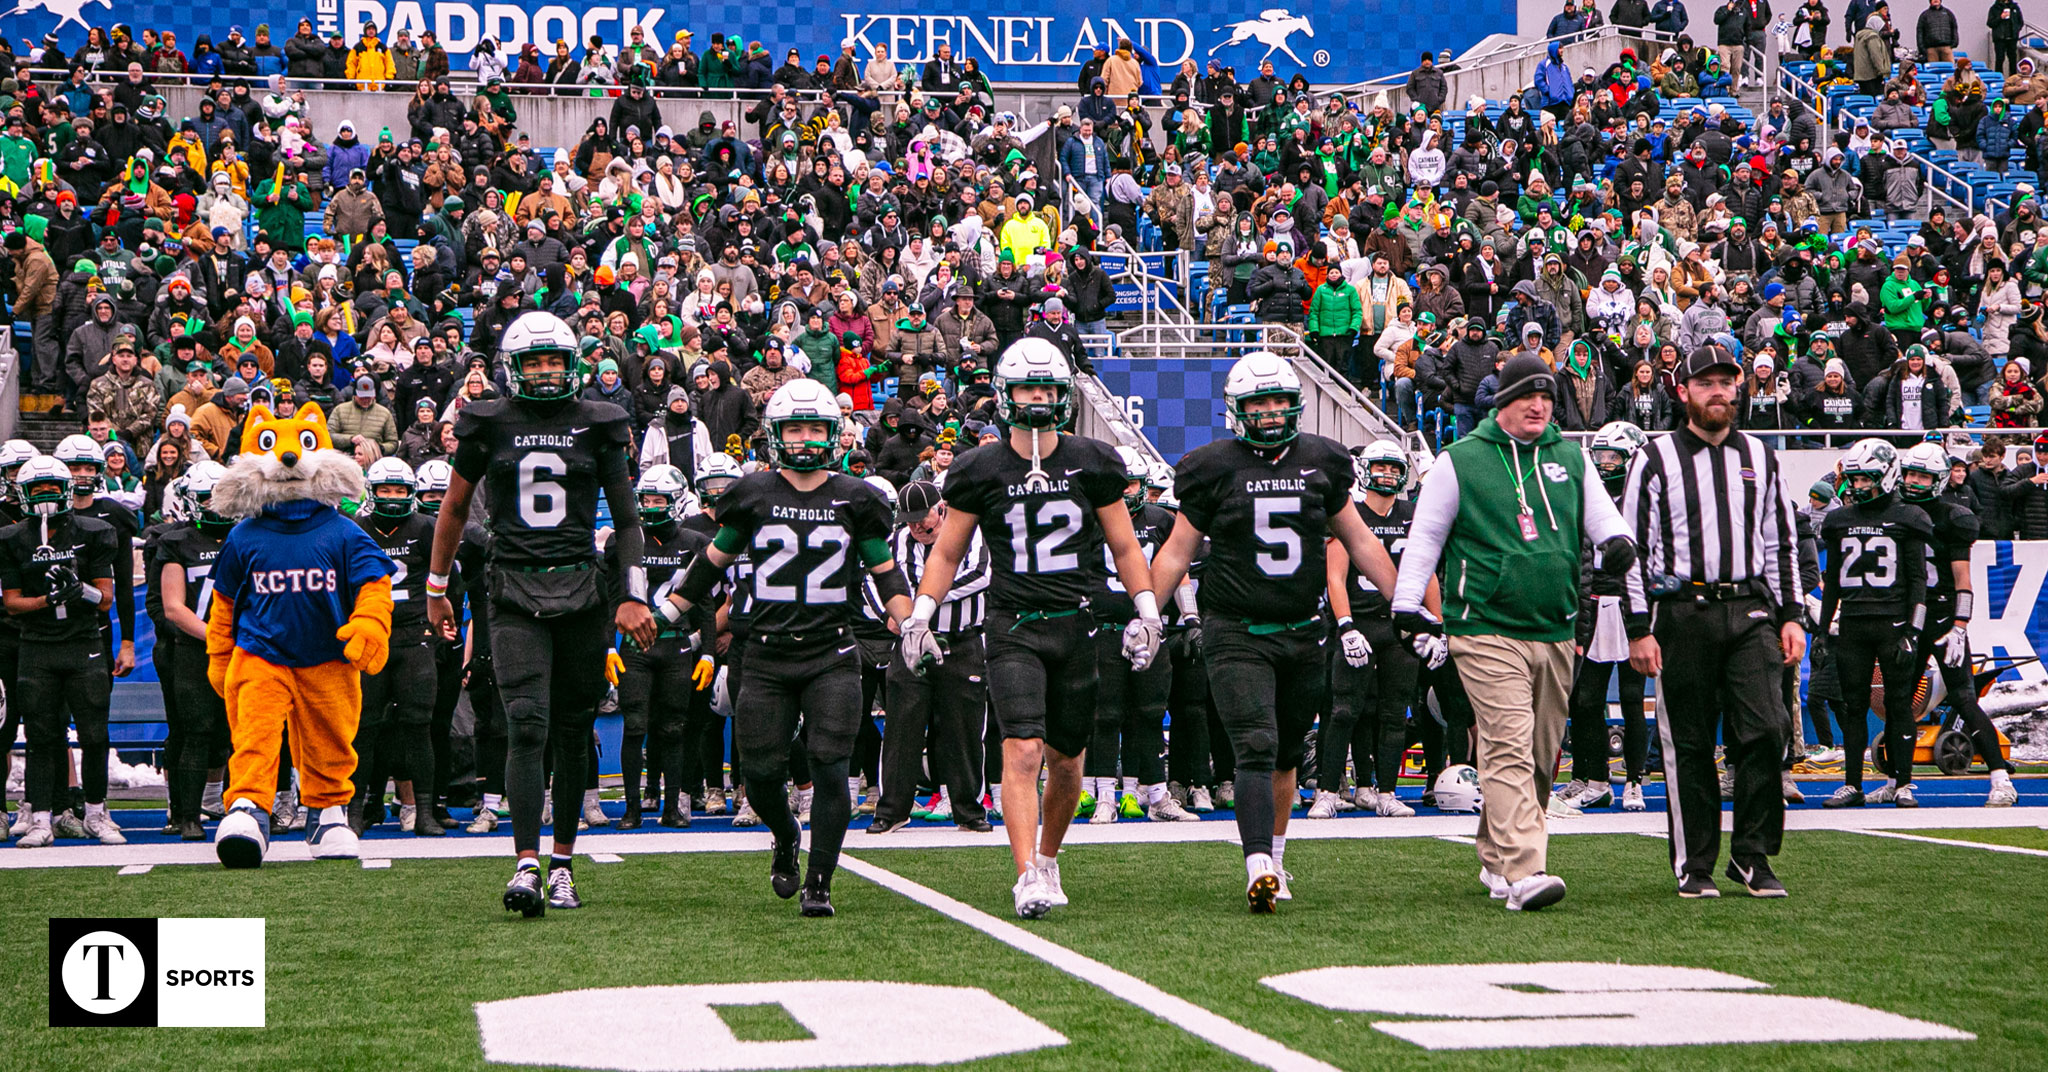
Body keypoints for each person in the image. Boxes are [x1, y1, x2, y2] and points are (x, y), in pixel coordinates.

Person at [898, 338, 1155, 920]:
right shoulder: (979, 467)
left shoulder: (1092, 460)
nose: (1037, 398)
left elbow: (1122, 542)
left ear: (1063, 394)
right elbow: (946, 553)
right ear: (1007, 395)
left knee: (1067, 761)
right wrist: (919, 615)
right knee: (1022, 748)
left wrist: (1148, 609)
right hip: (1012, 622)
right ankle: (1025, 874)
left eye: (1046, 389)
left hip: (1077, 622)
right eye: (1027, 388)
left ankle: (1048, 855)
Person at [1147, 353, 1403, 911]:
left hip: (1302, 630)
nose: (1269, 412)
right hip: (1234, 628)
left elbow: (1361, 543)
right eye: (1258, 402)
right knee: (1256, 745)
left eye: (1279, 400)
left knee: (1287, 750)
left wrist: (1407, 603)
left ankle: (1277, 860)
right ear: (1236, 410)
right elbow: (1176, 553)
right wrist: (1146, 612)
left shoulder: (1323, 461)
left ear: (1296, 405)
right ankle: (1257, 861)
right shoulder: (1211, 466)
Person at [426, 311, 655, 917]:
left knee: (574, 729)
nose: (548, 372)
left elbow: (628, 519)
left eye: (556, 360)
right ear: (513, 368)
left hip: (582, 589)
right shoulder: (488, 422)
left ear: (572, 363)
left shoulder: (598, 422)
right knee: (526, 723)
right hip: (513, 590)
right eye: (536, 361)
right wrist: (435, 583)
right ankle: (526, 864)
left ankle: (562, 864)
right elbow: (452, 509)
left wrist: (632, 592)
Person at [659, 379, 912, 917]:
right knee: (761, 771)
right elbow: (713, 563)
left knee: (829, 763)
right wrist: (674, 609)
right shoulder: (753, 493)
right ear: (775, 433)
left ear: (831, 433)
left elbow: (886, 574)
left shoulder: (856, 497)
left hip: (831, 651)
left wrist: (912, 623)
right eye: (793, 427)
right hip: (766, 652)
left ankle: (819, 879)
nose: (802, 438)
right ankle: (786, 835)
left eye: (814, 427)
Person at [1394, 352, 1635, 911]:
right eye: (1528, 395)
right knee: (1507, 742)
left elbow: (1603, 519)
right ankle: (1527, 870)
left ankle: (1495, 855)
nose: (1539, 405)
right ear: (1502, 400)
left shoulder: (1571, 458)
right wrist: (1408, 605)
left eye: (1548, 397)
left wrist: (1619, 545)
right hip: (1483, 625)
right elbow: (1426, 538)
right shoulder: (1461, 460)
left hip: (1554, 627)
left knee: (1540, 752)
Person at [1624, 343, 1805, 900]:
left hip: (1750, 610)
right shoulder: (1654, 458)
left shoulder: (1761, 455)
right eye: (1706, 383)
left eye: (1727, 381)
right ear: (1683, 392)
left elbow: (1781, 542)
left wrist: (1792, 614)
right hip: (1682, 612)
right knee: (1692, 743)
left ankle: (1751, 855)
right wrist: (1638, 627)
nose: (1719, 391)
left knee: (1768, 729)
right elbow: (1630, 547)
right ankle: (1695, 862)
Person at [2, 456, 121, 847]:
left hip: (83, 643)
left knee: (94, 735)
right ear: (23, 493)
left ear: (68, 489)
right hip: (36, 647)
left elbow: (104, 599)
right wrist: (46, 600)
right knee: (41, 737)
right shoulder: (13, 537)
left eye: (52, 487)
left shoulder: (95, 531)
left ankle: (96, 813)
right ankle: (40, 819)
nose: (46, 495)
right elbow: (12, 601)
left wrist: (79, 591)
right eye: (38, 489)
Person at [1313, 440, 1431, 820]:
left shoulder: (1414, 514)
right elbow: (1336, 574)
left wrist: (1435, 625)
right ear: (1364, 470)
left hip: (1398, 626)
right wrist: (1345, 625)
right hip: (1359, 623)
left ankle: (1387, 791)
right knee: (1344, 710)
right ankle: (1328, 790)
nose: (1389, 474)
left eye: (1396, 469)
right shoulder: (1350, 513)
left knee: (1395, 713)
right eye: (1381, 466)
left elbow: (1425, 572)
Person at [871, 479, 994, 834]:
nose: (916, 527)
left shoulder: (969, 532)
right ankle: (892, 809)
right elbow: (872, 580)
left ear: (941, 509)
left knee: (964, 729)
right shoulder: (899, 541)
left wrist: (925, 596)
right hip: (911, 644)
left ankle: (969, 810)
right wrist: (889, 616)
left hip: (961, 641)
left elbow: (981, 573)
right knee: (901, 726)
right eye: (909, 521)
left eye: (922, 518)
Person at [1084, 446, 1198, 825]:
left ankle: (1157, 795)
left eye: (1132, 484)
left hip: (1150, 629)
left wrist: (1191, 617)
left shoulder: (1161, 520)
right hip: (1106, 629)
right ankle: (1104, 796)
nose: (1127, 491)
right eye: (1121, 484)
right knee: (1105, 715)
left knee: (1150, 714)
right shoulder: (1090, 519)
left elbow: (1179, 570)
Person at [1897, 444, 2015, 806]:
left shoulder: (1953, 516)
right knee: (1900, 698)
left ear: (1939, 479)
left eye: (1923, 476)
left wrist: (1960, 624)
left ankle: (2000, 778)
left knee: (1962, 694)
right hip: (1908, 613)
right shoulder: (1895, 513)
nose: (1914, 482)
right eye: (1911, 474)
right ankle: (1898, 781)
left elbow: (1962, 579)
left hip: (1944, 612)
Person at [1817, 439, 1931, 811]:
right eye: (1853, 480)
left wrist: (1913, 631)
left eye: (1865, 479)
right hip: (1852, 623)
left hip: (1893, 623)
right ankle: (1852, 784)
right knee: (1852, 706)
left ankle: (1902, 782)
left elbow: (1918, 582)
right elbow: (1832, 578)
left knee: (1899, 704)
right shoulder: (1838, 519)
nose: (1857, 486)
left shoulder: (1908, 516)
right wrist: (1821, 629)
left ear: (1886, 476)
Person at [609, 464, 716, 829]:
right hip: (636, 649)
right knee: (635, 725)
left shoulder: (693, 542)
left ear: (676, 500)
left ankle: (673, 806)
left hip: (676, 646)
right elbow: (612, 599)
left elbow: (703, 604)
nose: (651, 505)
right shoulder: (627, 541)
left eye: (659, 499)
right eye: (646, 499)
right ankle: (633, 809)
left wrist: (709, 653)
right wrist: (609, 647)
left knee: (674, 728)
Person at [1559, 423, 1653, 814]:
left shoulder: (1644, 497)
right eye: (1600, 456)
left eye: (1613, 456)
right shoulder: (1589, 495)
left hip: (1630, 602)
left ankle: (1634, 780)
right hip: (1595, 600)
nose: (1605, 463)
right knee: (1585, 698)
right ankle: (1593, 777)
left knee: (1633, 699)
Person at [350, 459, 444, 837]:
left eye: (400, 490)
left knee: (418, 725)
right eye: (386, 490)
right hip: (372, 636)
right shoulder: (356, 529)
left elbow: (442, 579)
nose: (393, 498)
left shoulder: (424, 527)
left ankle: (423, 811)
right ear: (372, 492)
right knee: (364, 726)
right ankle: (354, 811)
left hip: (414, 634)